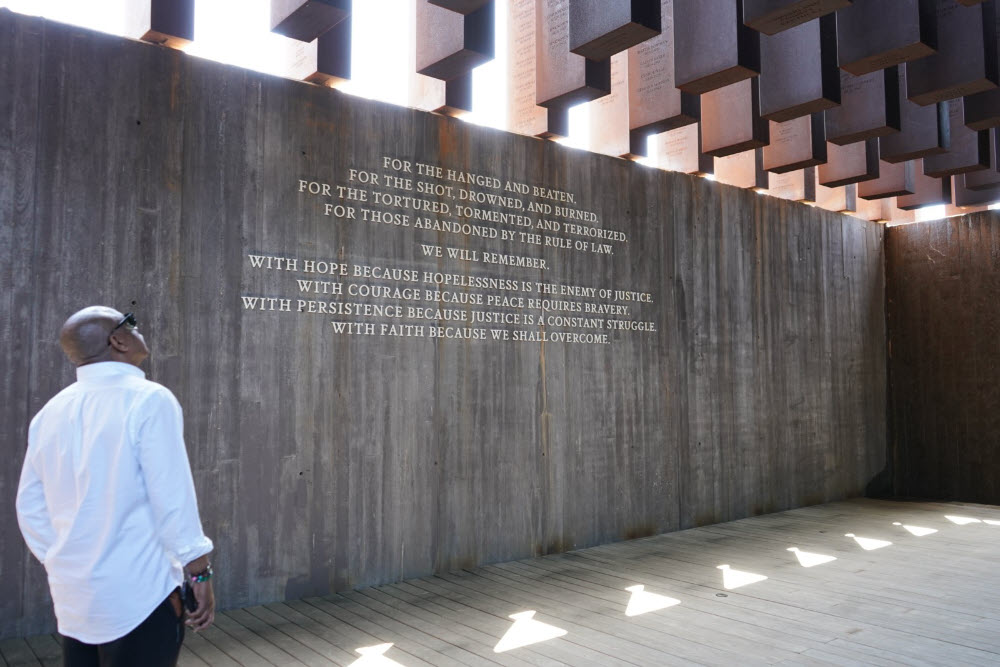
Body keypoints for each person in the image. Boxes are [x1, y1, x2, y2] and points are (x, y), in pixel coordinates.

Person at [16, 306, 215, 667]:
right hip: (141, 596)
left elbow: (29, 506)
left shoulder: (49, 413)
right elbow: (172, 497)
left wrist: (65, 561)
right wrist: (199, 570)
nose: (140, 330)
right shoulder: (149, 399)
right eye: (131, 324)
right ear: (118, 341)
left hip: (75, 599)